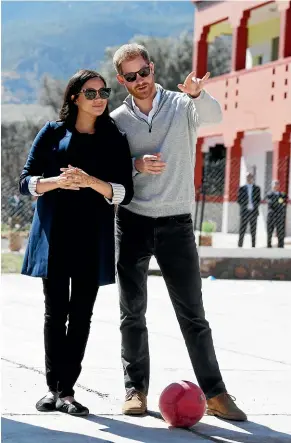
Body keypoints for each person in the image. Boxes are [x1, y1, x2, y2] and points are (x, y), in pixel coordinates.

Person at [111, 43, 247, 421]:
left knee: (193, 315)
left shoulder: (181, 104)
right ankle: (135, 388)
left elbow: (215, 116)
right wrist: (135, 164)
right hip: (133, 220)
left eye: (145, 72)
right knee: (131, 313)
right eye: (131, 76)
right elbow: (111, 169)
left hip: (176, 223)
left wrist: (197, 93)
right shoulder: (118, 119)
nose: (140, 80)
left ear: (153, 68)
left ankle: (216, 394)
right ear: (122, 79)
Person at [19, 69, 133, 416]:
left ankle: (68, 392)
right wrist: (55, 182)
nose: (100, 99)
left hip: (92, 237)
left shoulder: (113, 136)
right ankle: (52, 389)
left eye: (103, 92)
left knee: (81, 315)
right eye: (91, 93)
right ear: (74, 97)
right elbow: (24, 182)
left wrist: (89, 181)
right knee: (54, 314)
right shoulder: (52, 132)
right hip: (53, 236)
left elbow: (124, 192)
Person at [237, 173, 261, 248]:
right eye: (247, 177)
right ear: (246, 178)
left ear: (253, 178)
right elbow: (239, 200)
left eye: (250, 177)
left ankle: (253, 245)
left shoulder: (257, 188)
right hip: (244, 211)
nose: (249, 178)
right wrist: (245, 204)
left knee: (253, 230)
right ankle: (240, 245)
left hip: (253, 211)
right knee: (242, 229)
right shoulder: (241, 188)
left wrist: (254, 204)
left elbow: (259, 199)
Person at [266, 180, 287, 248]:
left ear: (279, 186)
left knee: (280, 231)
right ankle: (269, 245)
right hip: (271, 216)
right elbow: (270, 203)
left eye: (277, 184)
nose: (276, 185)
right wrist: (279, 203)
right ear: (272, 186)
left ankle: (280, 245)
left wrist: (278, 203)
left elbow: (284, 202)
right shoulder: (269, 194)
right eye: (275, 184)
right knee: (270, 231)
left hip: (279, 216)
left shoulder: (282, 194)